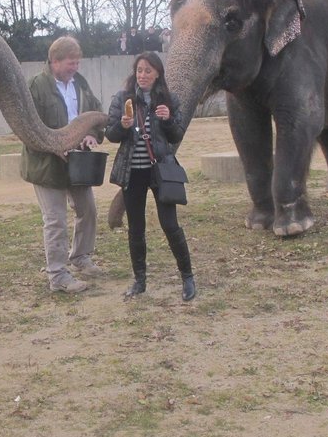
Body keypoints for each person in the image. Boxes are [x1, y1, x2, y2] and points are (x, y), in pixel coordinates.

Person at [105, 51, 196, 301]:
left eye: (148, 70)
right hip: (132, 172)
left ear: (157, 73)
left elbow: (176, 134)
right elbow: (110, 135)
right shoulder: (123, 98)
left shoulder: (168, 99)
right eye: (139, 70)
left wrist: (167, 121)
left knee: (170, 224)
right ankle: (140, 280)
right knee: (136, 228)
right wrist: (121, 126)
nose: (142, 75)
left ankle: (187, 277)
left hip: (160, 171)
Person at [20, 36, 104, 293]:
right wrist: (52, 146)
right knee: (55, 220)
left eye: (77, 62)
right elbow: (25, 128)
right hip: (47, 166)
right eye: (70, 63)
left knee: (87, 209)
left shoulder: (80, 83)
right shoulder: (35, 86)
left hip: (77, 162)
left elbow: (96, 114)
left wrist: (92, 135)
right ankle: (57, 276)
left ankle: (80, 256)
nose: (75, 67)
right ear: (54, 61)